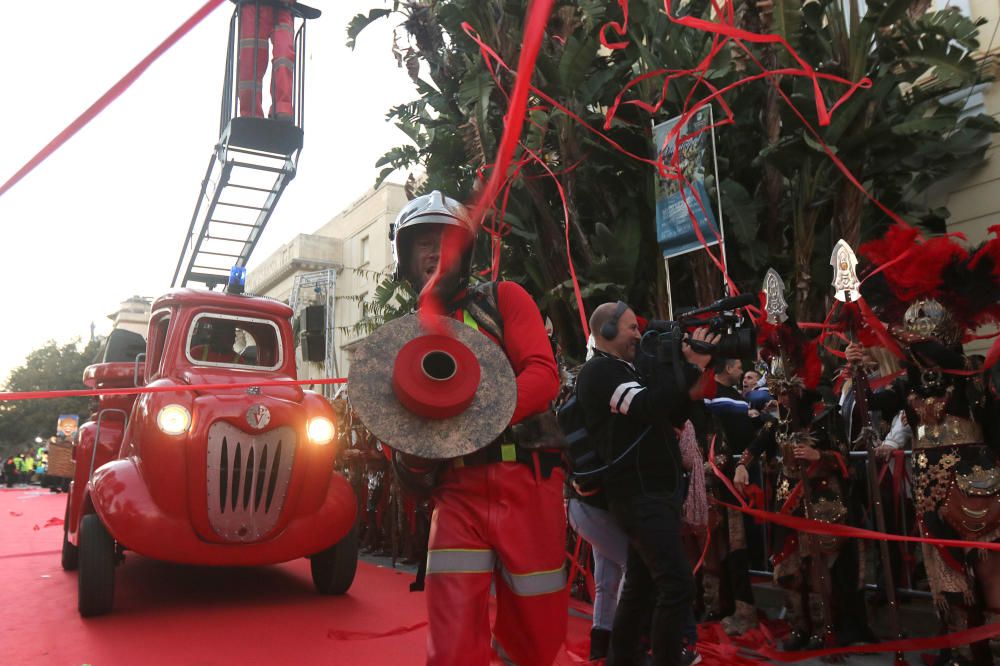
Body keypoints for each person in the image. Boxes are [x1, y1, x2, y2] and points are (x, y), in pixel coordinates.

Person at [389, 191, 566, 665]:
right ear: (405, 259)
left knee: (535, 637)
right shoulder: (403, 339)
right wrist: (412, 454)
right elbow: (404, 431)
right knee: (450, 646)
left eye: (443, 241)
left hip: (529, 482)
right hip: (457, 494)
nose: (432, 252)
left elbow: (542, 375)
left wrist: (476, 419)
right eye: (421, 244)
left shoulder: (504, 298)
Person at [576, 300, 717, 666]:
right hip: (639, 496)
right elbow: (646, 407)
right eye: (630, 328)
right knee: (677, 584)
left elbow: (671, 415)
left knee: (641, 587)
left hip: (653, 494)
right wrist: (688, 368)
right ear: (606, 332)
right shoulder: (600, 373)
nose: (639, 334)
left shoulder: (627, 370)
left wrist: (690, 374)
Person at [701, 358, 758, 636]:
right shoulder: (709, 399)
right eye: (737, 366)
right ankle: (717, 604)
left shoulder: (732, 398)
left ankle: (743, 609)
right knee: (715, 549)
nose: (740, 371)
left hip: (733, 485)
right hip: (712, 487)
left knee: (736, 550)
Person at [232, 0, 319, 121]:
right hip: (252, 7)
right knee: (250, 61)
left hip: (282, 9)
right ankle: (250, 113)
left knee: (284, 56)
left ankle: (282, 109)